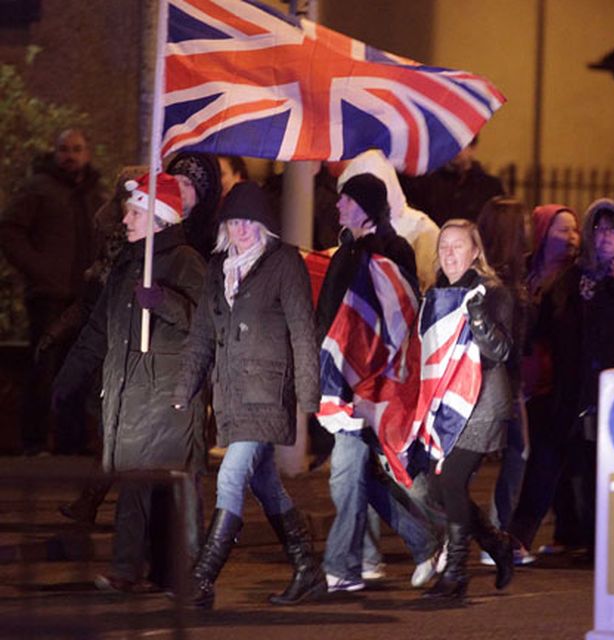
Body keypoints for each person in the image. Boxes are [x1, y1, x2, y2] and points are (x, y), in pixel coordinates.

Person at [52, 173, 206, 592]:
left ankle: (184, 570)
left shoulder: (185, 261)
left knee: (173, 485)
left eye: (135, 211)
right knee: (136, 482)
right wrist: (68, 377)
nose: (126, 218)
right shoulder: (126, 265)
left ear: (159, 219)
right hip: (129, 392)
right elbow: (98, 329)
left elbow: (207, 325)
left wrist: (164, 301)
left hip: (169, 393)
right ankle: (131, 568)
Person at [172, 181, 322, 608]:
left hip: (268, 392)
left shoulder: (283, 262)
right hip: (231, 394)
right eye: (232, 221)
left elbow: (302, 331)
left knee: (231, 475)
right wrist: (186, 387)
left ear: (263, 224)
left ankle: (201, 581)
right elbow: (202, 334)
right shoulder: (219, 268)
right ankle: (307, 568)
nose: (239, 230)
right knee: (266, 484)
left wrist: (308, 398)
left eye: (247, 221)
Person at [508, 199, 614, 558]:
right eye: (598, 228)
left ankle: (602, 544)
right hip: (570, 391)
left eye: (613, 229)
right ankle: (517, 538)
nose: (604, 236)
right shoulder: (573, 278)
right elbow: (543, 323)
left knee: (602, 471)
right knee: (546, 462)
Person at [316, 172, 441, 593]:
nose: (337, 207)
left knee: (347, 475)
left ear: (365, 206)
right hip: (345, 384)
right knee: (362, 479)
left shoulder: (392, 251)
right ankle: (426, 542)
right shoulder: (346, 251)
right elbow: (332, 317)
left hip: (374, 386)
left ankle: (342, 567)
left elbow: (400, 317)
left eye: (345, 200)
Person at [420, 219, 516, 600]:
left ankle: (456, 572)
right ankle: (496, 544)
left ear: (475, 251)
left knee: (451, 481)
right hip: (448, 405)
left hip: (482, 404)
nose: (449, 253)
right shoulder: (438, 293)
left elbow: (500, 351)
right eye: (443, 246)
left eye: (458, 246)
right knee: (439, 487)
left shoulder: (493, 293)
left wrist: (476, 315)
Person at [0, 128, 106, 455]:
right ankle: (34, 442)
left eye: (76, 149)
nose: (70, 155)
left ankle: (71, 443)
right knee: (42, 370)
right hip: (48, 297)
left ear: (86, 153)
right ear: (54, 152)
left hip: (83, 297)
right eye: (64, 149)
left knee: (77, 370)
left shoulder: (94, 194)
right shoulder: (38, 189)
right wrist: (39, 269)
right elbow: (9, 230)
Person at [509, 204, 581, 561]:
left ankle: (518, 535)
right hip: (527, 379)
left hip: (559, 380)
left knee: (546, 457)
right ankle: (570, 532)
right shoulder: (524, 272)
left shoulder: (577, 277)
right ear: (542, 233)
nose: (571, 237)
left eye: (574, 230)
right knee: (555, 461)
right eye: (562, 229)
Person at [476, 197, 530, 544]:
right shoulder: (505, 285)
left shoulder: (489, 277)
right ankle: (497, 533)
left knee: (473, 460)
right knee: (516, 452)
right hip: (502, 383)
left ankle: (493, 532)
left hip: (491, 381)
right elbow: (507, 344)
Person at [337, 149, 440, 291]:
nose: (340, 205)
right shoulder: (348, 235)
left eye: (350, 199)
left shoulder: (423, 230)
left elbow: (424, 290)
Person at [400, 137, 505, 227]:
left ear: (472, 148)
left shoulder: (489, 186)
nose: (453, 150)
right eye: (450, 145)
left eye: (460, 145)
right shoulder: (425, 181)